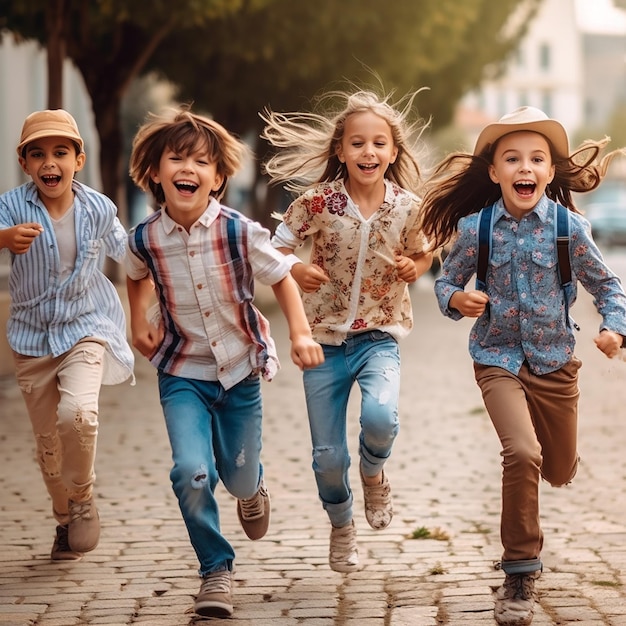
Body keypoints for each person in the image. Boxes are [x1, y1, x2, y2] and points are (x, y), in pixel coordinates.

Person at [419, 106, 626, 626]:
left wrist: (613, 327)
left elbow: (608, 285)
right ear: (494, 172)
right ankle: (519, 571)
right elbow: (445, 282)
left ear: (550, 173)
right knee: (521, 451)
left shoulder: (569, 227)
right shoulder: (475, 228)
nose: (524, 167)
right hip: (496, 357)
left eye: (536, 158)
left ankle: (559, 460)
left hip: (556, 360)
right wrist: (455, 301)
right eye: (511, 158)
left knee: (555, 467)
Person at [124, 107, 324, 619]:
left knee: (235, 479)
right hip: (181, 372)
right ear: (155, 172)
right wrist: (136, 321)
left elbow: (281, 275)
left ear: (217, 178)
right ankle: (216, 570)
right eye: (176, 158)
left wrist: (299, 333)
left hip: (238, 372)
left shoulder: (239, 231)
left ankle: (250, 486)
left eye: (200, 161)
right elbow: (135, 271)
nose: (187, 168)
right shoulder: (146, 236)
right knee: (191, 473)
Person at [261, 88, 433, 573]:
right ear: (340, 150)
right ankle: (341, 525)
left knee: (381, 418)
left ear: (393, 153)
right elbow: (276, 251)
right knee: (327, 457)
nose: (368, 152)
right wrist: (295, 268)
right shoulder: (316, 203)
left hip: (380, 333)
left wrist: (413, 265)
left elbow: (425, 252)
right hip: (323, 340)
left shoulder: (406, 206)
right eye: (358, 143)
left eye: (379, 144)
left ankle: (374, 473)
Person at [0, 109, 134, 562]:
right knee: (48, 446)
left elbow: (132, 254)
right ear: (25, 164)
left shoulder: (98, 207)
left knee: (78, 415)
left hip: (86, 326)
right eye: (37, 154)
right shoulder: (12, 206)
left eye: (60, 152)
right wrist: (4, 238)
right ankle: (64, 517)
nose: (49, 162)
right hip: (31, 338)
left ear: (79, 159)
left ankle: (82, 498)